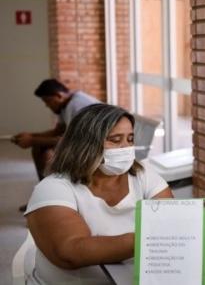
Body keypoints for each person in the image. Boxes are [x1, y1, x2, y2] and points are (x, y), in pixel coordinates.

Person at [24, 103, 173, 285]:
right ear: (86, 144)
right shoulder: (53, 189)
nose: (126, 147)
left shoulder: (143, 176)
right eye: (116, 140)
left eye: (130, 139)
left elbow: (171, 223)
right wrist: (152, 238)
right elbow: (70, 252)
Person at [11, 79, 101, 184]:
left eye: (47, 101)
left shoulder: (76, 105)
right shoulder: (63, 105)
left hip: (95, 146)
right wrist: (31, 136)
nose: (46, 105)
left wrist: (32, 140)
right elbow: (58, 131)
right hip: (80, 142)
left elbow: (72, 141)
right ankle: (44, 186)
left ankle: (55, 191)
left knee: (49, 155)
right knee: (38, 146)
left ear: (59, 96)